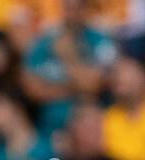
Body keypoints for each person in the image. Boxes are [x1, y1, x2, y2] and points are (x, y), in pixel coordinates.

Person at [21, 0, 118, 141]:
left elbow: (93, 86)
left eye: (77, 8)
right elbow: (31, 89)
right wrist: (75, 88)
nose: (71, 14)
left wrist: (69, 58)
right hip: (50, 130)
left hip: (90, 132)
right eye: (67, 8)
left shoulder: (101, 41)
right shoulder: (45, 41)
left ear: (86, 10)